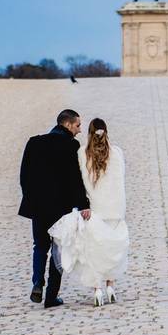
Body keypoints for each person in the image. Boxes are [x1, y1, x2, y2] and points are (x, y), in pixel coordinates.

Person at [49, 118, 129, 307]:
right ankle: (110, 286)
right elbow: (121, 178)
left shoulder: (82, 153)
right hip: (116, 209)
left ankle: (98, 290)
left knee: (94, 250)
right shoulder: (117, 153)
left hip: (95, 210)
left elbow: (80, 183)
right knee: (113, 248)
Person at [18, 109, 91, 309]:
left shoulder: (34, 143)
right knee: (58, 249)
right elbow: (75, 179)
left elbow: (24, 176)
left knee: (40, 246)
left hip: (39, 207)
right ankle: (51, 297)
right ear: (67, 125)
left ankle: (37, 283)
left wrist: (31, 199)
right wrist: (83, 204)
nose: (79, 131)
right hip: (61, 208)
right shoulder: (71, 145)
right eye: (77, 126)